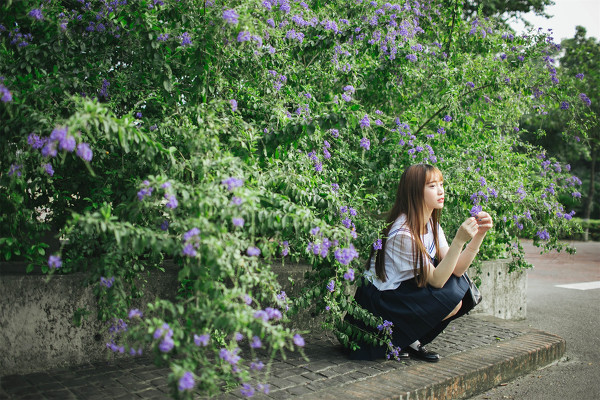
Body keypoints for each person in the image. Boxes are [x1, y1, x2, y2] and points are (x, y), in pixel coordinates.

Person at [345, 163, 493, 362]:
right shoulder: (403, 233)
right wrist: (459, 240)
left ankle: (408, 340)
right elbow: (437, 281)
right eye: (432, 186)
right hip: (380, 303)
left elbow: (456, 269)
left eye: (441, 184)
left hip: (402, 291)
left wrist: (478, 236)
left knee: (461, 289)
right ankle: (400, 341)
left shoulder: (430, 223)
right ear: (414, 192)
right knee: (450, 293)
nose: (440, 190)